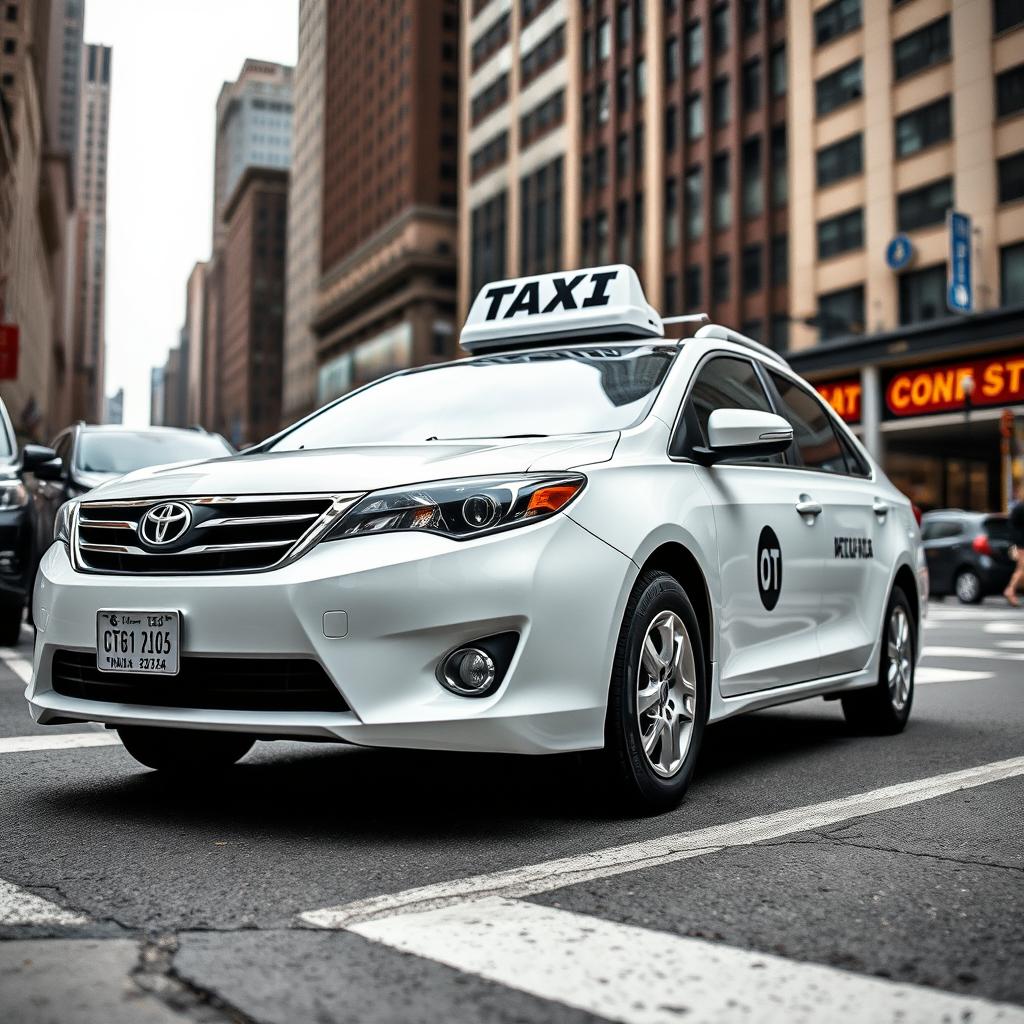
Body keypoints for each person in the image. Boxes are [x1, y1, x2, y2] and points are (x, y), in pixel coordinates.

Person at [1006, 482, 1024, 607]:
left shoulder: (1018, 507)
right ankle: (1010, 590)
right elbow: (1014, 528)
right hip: (1021, 544)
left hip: (1019, 543)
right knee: (1022, 569)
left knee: (1021, 569)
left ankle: (1011, 590)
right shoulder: (1020, 507)